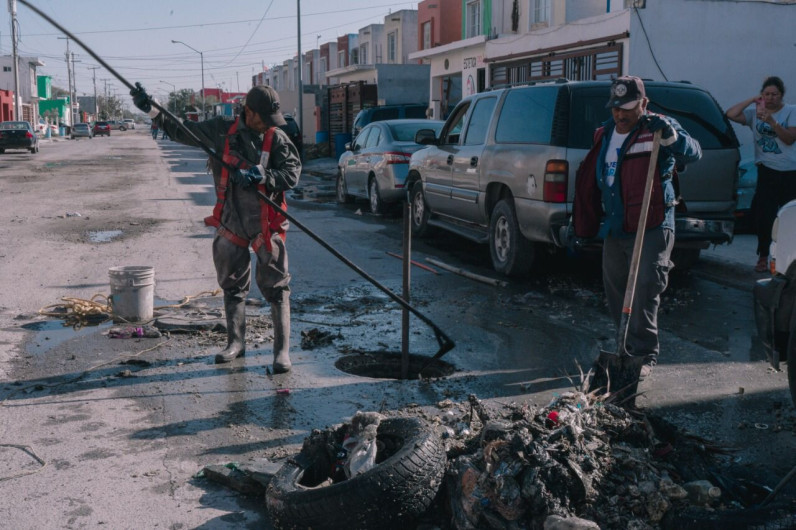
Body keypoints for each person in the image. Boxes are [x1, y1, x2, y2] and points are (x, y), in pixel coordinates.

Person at [130, 83, 302, 374]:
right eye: (264, 118)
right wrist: (153, 110)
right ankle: (235, 343)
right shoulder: (222, 130)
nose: (268, 125)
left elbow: (293, 173)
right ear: (249, 112)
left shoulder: (277, 138)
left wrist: (264, 175)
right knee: (232, 284)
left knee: (277, 286)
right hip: (230, 221)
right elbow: (182, 130)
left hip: (265, 223)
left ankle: (281, 351)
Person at [574, 76, 702, 378]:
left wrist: (670, 136)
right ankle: (625, 349)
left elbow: (693, 152)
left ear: (643, 103)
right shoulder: (605, 133)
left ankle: (644, 354)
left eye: (628, 108)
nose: (621, 114)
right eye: (616, 108)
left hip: (652, 223)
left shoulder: (658, 128)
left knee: (645, 286)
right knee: (616, 288)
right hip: (616, 224)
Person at [726, 76, 796, 273]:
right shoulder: (756, 113)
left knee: (789, 217)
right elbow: (731, 114)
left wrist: (772, 122)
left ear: (781, 95)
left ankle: (788, 259)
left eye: (774, 94)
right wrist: (752, 100)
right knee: (764, 215)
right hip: (767, 170)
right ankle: (763, 255)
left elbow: (789, 139)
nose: (771, 98)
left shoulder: (791, 111)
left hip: (790, 172)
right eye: (766, 94)